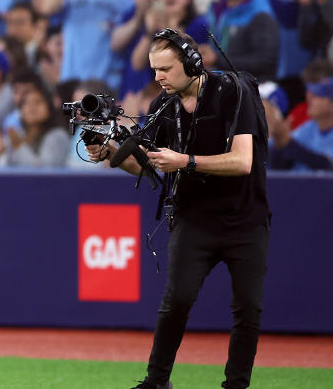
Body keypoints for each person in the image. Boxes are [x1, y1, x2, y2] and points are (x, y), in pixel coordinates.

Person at [87, 29, 270, 389]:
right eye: (155, 70)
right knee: (176, 301)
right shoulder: (162, 106)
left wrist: (184, 161)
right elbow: (147, 166)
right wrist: (110, 154)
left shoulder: (233, 92)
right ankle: (156, 382)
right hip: (193, 217)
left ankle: (236, 385)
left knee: (247, 309)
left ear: (192, 62)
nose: (158, 78)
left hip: (244, 218)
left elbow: (243, 161)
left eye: (166, 69)